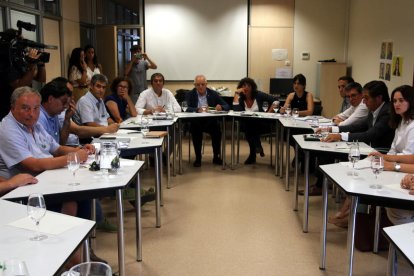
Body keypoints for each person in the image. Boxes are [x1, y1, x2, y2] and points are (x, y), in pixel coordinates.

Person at [329, 85, 414, 227]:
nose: (397, 104)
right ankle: (351, 216)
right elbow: (393, 149)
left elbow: (409, 156)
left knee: (368, 180)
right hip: (393, 163)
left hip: (404, 169)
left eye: (401, 100)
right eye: (395, 101)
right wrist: (385, 157)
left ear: (411, 101)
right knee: (361, 175)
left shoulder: (411, 124)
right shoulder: (401, 121)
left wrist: (387, 160)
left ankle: (353, 218)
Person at [305, 81, 395, 196]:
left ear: (378, 98)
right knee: (329, 148)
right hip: (369, 148)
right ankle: (324, 185)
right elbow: (359, 126)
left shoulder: (386, 112)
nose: (363, 101)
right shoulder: (374, 109)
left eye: (366, 98)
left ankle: (333, 190)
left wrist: (340, 136)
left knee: (330, 152)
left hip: (379, 152)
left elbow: (370, 135)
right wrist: (331, 130)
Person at [0, 28, 46, 120]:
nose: (23, 47)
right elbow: (18, 87)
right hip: (6, 110)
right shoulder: (4, 60)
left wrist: (40, 64)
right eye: (20, 43)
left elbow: (41, 79)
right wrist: (32, 65)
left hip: (22, 107)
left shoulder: (19, 59)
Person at [185, 74, 229, 167]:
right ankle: (198, 158)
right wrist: (197, 109)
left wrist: (221, 107)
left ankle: (216, 157)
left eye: (202, 84)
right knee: (195, 130)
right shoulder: (190, 94)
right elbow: (185, 108)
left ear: (206, 84)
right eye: (198, 85)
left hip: (210, 121)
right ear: (194, 85)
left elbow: (227, 106)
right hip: (196, 121)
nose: (200, 87)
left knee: (217, 131)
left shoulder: (213, 93)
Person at [232, 77, 276, 164]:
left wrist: (269, 112)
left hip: (262, 124)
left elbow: (275, 101)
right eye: (244, 85)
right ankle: (257, 147)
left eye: (248, 85)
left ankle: (253, 154)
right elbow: (236, 110)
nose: (246, 87)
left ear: (252, 87)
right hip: (248, 126)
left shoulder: (259, 95)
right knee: (249, 126)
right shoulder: (240, 98)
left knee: (249, 128)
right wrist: (237, 93)